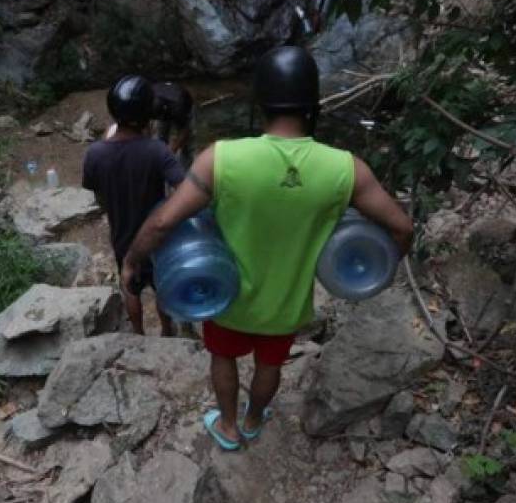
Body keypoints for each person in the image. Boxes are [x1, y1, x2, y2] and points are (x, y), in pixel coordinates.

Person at [121, 47, 413, 450]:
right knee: (269, 364)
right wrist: (375, 271)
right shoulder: (346, 169)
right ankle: (254, 419)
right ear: (313, 103)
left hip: (225, 295)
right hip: (286, 304)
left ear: (261, 100)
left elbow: (162, 222)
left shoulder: (221, 158)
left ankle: (226, 425)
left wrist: (133, 261)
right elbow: (401, 227)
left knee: (222, 357)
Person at [83, 76, 186, 336]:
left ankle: (138, 335)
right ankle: (166, 329)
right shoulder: (157, 151)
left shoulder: (95, 153)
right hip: (156, 237)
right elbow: (185, 188)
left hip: (122, 235)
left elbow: (97, 197)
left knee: (129, 285)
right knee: (161, 285)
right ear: (147, 114)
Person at [152, 82, 196, 168]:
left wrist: (173, 149)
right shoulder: (149, 99)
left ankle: (186, 172)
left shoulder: (180, 106)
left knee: (187, 147)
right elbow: (145, 126)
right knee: (160, 138)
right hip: (165, 103)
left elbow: (185, 131)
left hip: (183, 106)